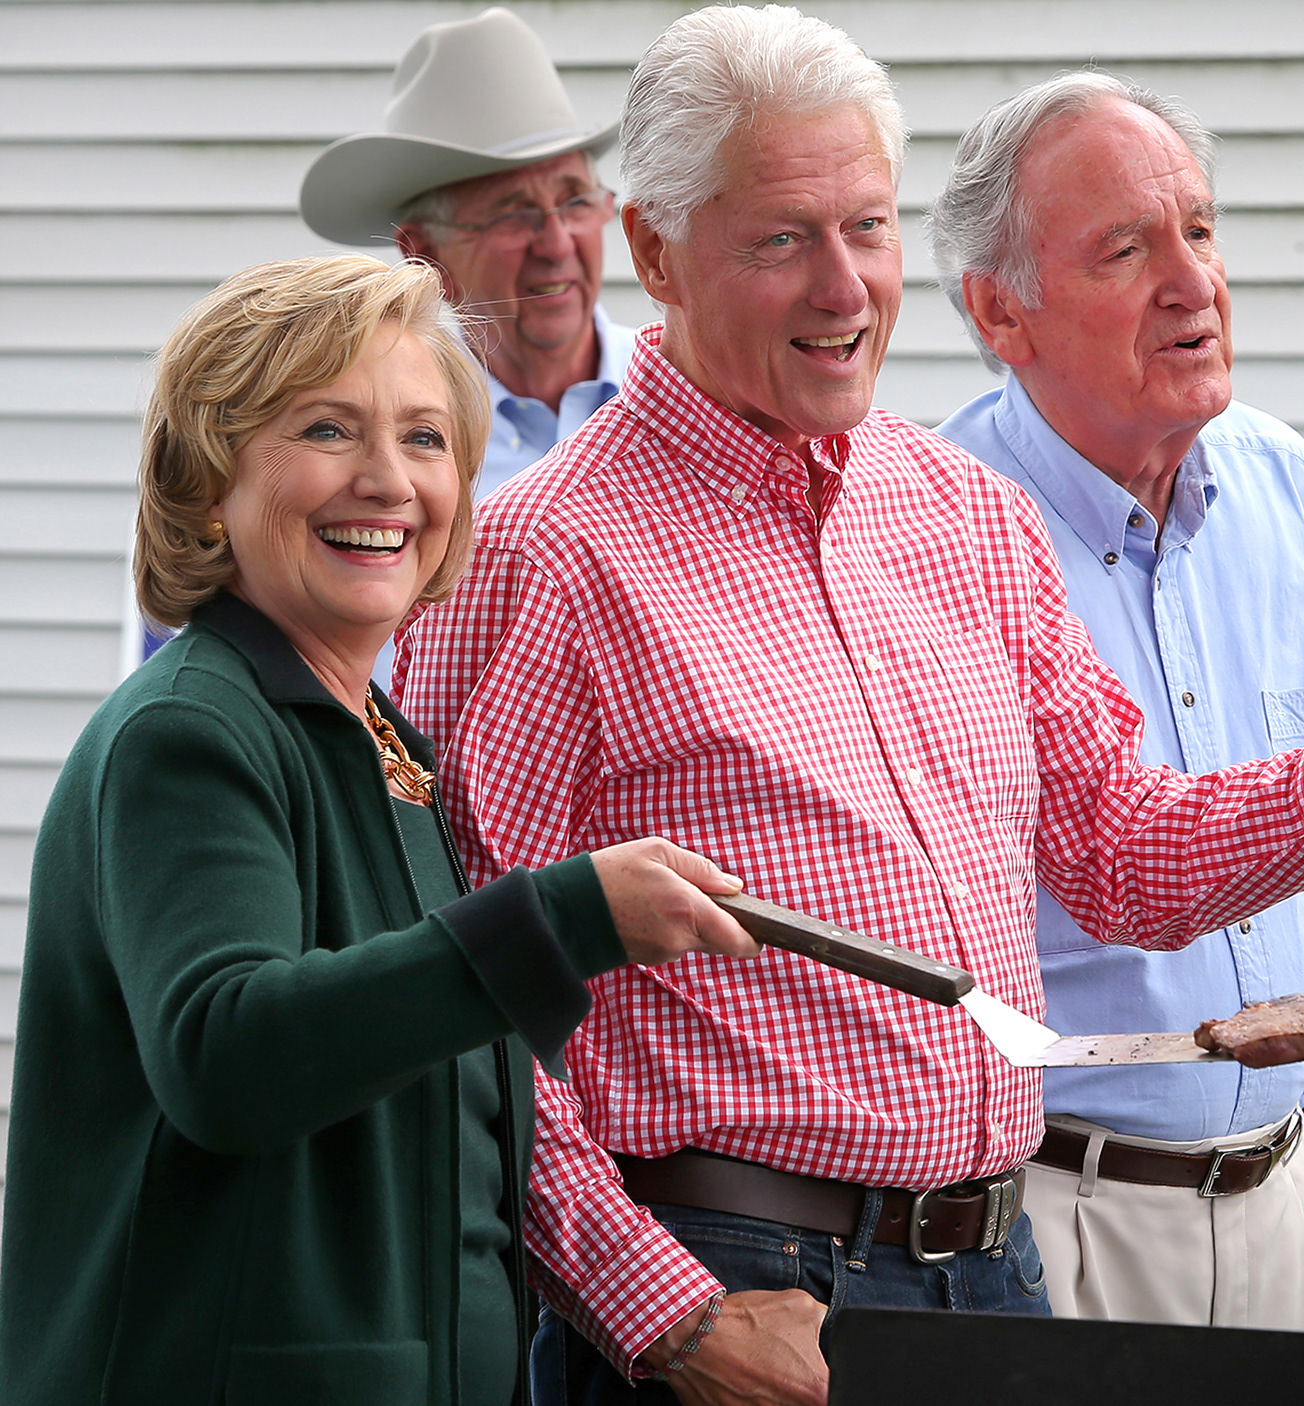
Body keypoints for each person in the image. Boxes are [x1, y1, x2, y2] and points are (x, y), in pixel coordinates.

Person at [394, 8, 1304, 1404]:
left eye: (867, 228)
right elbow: (464, 1023)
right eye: (782, 239)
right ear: (653, 253)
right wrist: (673, 1314)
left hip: (997, 1273)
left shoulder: (962, 512)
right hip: (738, 1274)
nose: (845, 286)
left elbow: (1123, 848)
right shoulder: (539, 557)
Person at [0, 254, 760, 1406]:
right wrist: (562, 915)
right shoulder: (189, 733)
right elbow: (229, 1052)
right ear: (209, 481)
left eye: (423, 438)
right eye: (326, 428)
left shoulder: (386, 748)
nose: (387, 480)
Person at [929, 72, 1304, 1331]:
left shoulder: (1284, 482)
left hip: (1286, 1188)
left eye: (1203, 230)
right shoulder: (937, 528)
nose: (1194, 283)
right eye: (1128, 248)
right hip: (1059, 1208)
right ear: (1000, 313)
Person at [300, 7, 633, 504]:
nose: (558, 244)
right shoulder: (391, 454)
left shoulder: (688, 394)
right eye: (515, 214)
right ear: (427, 257)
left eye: (576, 200)